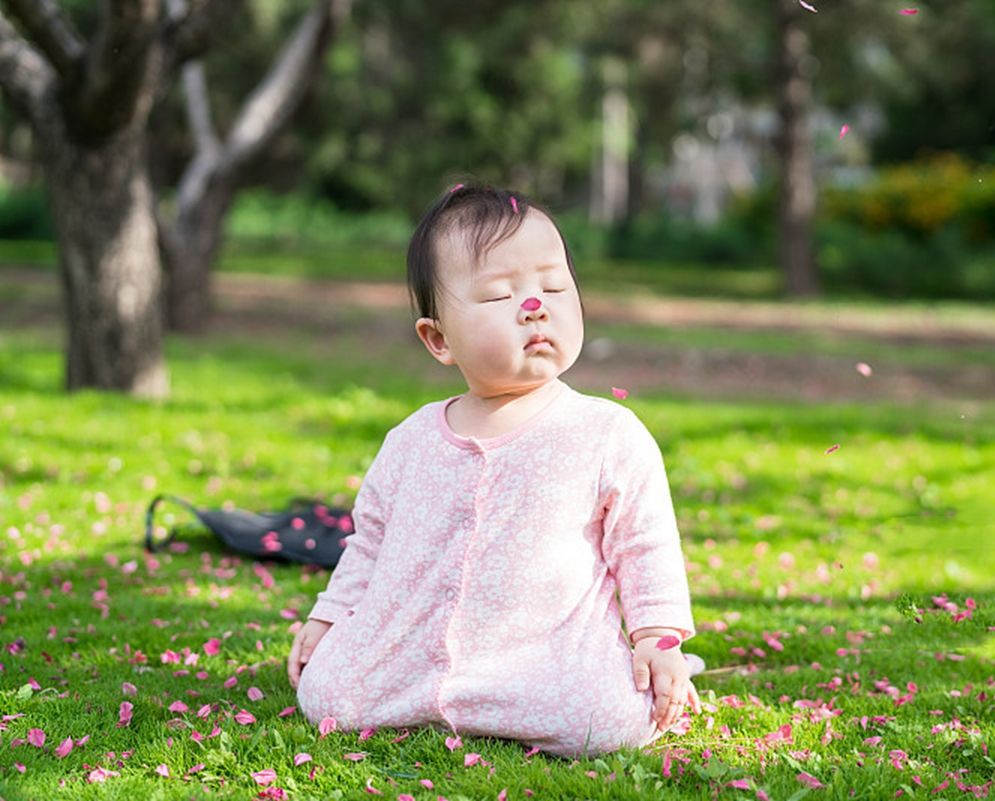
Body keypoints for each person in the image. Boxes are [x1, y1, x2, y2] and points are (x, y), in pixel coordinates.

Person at [287, 181, 704, 759]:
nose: (535, 306)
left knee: (606, 717)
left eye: (554, 285)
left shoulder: (606, 433)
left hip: (544, 652)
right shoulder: (410, 441)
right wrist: (331, 616)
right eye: (498, 296)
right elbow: (370, 544)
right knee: (329, 693)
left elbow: (644, 546)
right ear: (439, 340)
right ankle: (429, 696)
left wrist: (657, 638)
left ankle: (550, 693)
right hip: (409, 654)